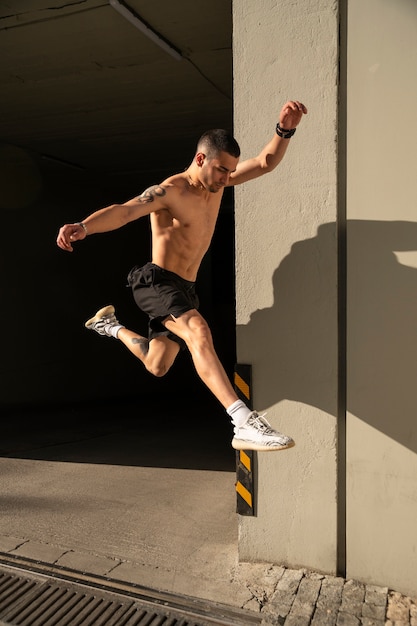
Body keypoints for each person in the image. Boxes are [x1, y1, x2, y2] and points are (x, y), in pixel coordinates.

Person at [57, 100, 307, 451]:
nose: (226, 178)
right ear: (201, 158)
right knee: (198, 331)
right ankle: (243, 421)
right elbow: (125, 212)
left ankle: (109, 326)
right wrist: (85, 226)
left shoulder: (219, 184)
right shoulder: (171, 190)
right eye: (221, 169)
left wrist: (284, 130)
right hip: (156, 282)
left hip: (184, 289)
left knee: (157, 365)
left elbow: (266, 162)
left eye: (230, 171)